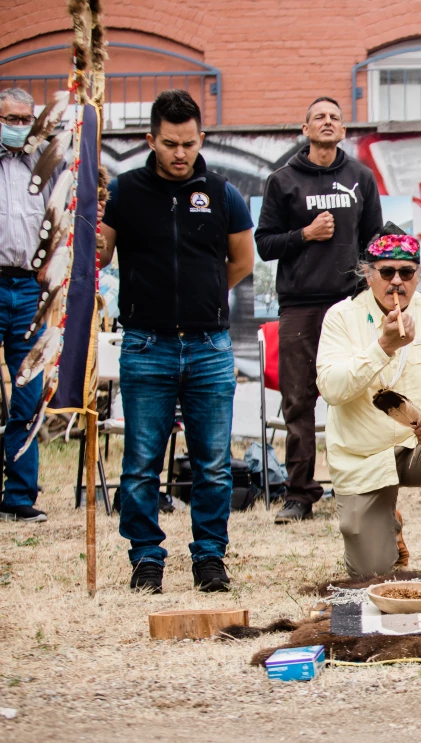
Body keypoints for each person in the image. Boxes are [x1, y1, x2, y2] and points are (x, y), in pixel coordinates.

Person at [98, 90, 256, 593]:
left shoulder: (224, 193)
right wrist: (84, 217)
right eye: (170, 143)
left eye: (189, 143)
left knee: (212, 463)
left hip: (209, 347)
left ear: (201, 138)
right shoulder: (124, 192)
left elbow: (242, 262)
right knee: (141, 463)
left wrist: (203, 298)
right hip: (146, 346)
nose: (180, 153)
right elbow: (100, 256)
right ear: (151, 139)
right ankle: (146, 557)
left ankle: (210, 557)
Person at [316, 224, 421, 582]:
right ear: (367, 272)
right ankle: (388, 526)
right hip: (364, 453)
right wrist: (383, 347)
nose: (396, 282)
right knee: (370, 575)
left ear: (418, 274)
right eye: (386, 272)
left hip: (419, 445)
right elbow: (332, 389)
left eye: (406, 272)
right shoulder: (341, 318)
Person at [254, 97, 382, 524]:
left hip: (350, 304)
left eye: (335, 117)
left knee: (362, 395)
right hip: (299, 305)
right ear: (305, 128)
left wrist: (373, 295)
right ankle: (299, 494)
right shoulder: (283, 180)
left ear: (343, 130)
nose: (327, 122)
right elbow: (265, 244)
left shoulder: (361, 177)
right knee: (299, 400)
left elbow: (375, 244)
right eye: (319, 117)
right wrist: (305, 234)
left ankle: (363, 486)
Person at [0, 87, 64, 524]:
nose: (19, 126)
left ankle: (19, 495)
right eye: (11, 118)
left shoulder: (44, 166)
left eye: (26, 119)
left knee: (27, 392)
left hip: (29, 291)